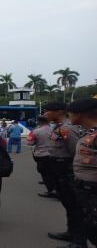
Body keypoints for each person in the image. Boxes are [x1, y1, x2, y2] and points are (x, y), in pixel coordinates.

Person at [43, 101, 84, 245]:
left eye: (47, 111)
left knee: (74, 206)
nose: (45, 114)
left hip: (66, 169)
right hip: (58, 169)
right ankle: (71, 232)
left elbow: (75, 151)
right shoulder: (59, 127)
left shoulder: (67, 128)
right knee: (68, 203)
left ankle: (79, 240)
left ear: (59, 112)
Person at [67, 98, 97, 247]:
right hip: (84, 187)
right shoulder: (88, 133)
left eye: (70, 113)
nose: (69, 116)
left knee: (93, 229)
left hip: (93, 189)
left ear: (79, 114)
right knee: (85, 222)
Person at [27, 116, 56, 198]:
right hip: (53, 154)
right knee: (52, 172)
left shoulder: (36, 131)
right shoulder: (54, 129)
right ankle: (55, 188)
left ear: (39, 122)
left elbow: (30, 142)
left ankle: (50, 191)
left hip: (41, 154)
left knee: (44, 173)